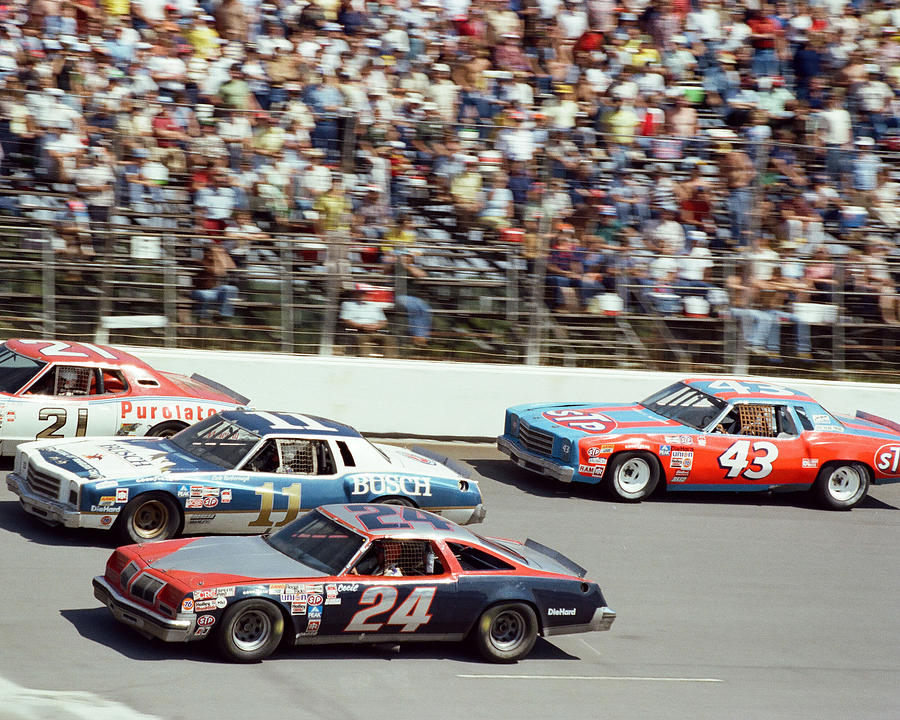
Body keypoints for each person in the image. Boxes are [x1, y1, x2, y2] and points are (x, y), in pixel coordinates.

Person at [191, 242, 238, 323]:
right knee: (206, 295)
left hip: (215, 291)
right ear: (207, 253)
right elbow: (218, 272)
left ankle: (224, 316)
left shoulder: (218, 262)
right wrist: (218, 258)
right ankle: (203, 317)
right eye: (216, 252)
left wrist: (224, 255)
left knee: (232, 288)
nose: (218, 254)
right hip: (199, 291)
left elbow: (233, 268)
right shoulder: (201, 262)